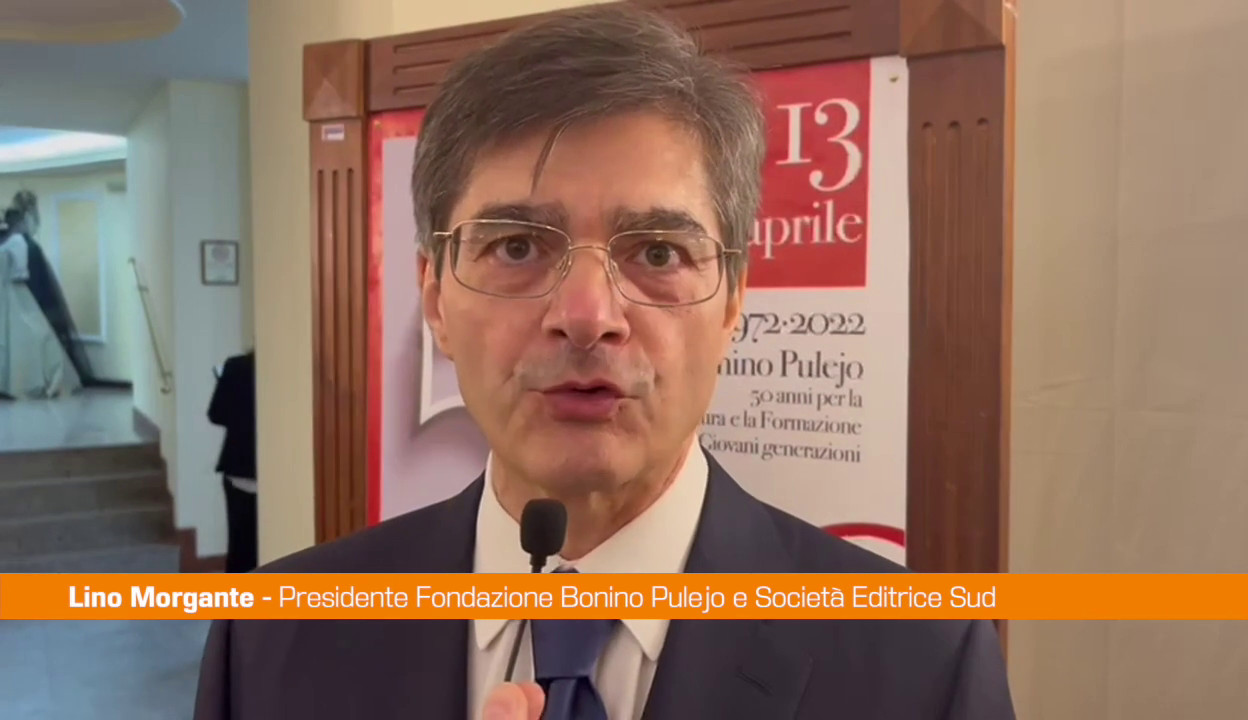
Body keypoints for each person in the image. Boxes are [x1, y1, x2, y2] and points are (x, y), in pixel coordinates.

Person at [193, 6, 1017, 720]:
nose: (587, 316)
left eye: (657, 251)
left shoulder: (924, 666)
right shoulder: (270, 641)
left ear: (732, 303)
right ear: (435, 298)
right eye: (517, 246)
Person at [0, 207, 82, 399]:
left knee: (26, 334)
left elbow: (19, 271)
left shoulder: (17, 241)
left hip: (13, 292)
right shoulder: (12, 242)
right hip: (8, 293)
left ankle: (29, 379)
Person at [208, 349, 258, 573]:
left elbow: (216, 414)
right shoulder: (286, 370)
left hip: (238, 465)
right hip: (276, 470)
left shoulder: (235, 366)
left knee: (238, 544)